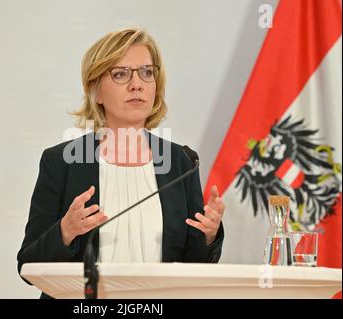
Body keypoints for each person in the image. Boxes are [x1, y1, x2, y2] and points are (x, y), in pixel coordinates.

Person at [17, 28, 225, 297]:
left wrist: (209, 236)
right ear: (97, 92)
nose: (136, 84)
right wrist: (64, 232)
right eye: (120, 74)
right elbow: (27, 266)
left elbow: (192, 271)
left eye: (146, 72)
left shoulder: (181, 163)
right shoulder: (61, 162)